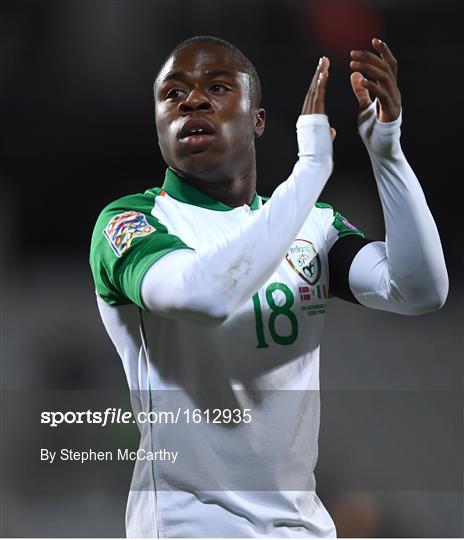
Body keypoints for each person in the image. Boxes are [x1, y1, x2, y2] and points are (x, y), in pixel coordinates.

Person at [89, 35, 448, 538]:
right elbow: (204, 296)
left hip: (301, 529)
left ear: (257, 119)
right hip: (189, 527)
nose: (191, 100)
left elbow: (419, 290)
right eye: (172, 94)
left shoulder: (312, 227)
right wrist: (310, 171)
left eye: (217, 87)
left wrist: (387, 151)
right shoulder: (132, 222)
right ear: (158, 124)